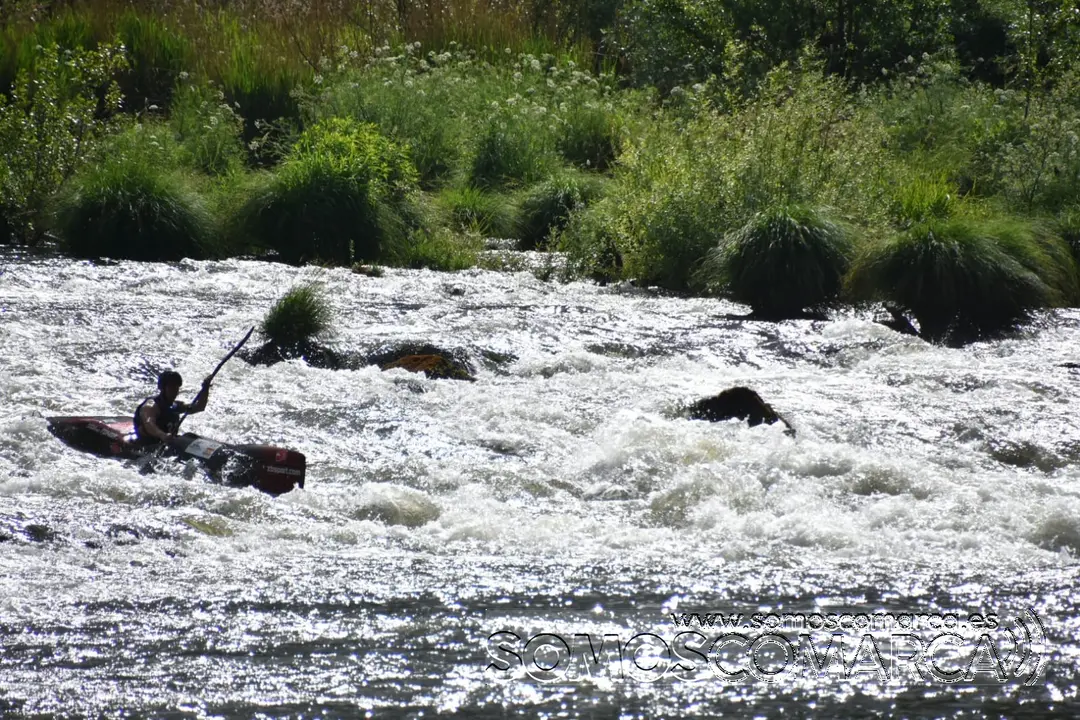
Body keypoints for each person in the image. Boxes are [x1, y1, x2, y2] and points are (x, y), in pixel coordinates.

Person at [132, 370, 210, 446]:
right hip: (149, 445)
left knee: (190, 436)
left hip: (169, 443)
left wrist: (205, 389)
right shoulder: (151, 406)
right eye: (171, 387)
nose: (175, 391)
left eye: (176, 387)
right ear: (162, 388)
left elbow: (199, 407)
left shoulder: (176, 406)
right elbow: (149, 423)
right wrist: (162, 435)